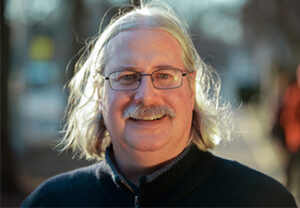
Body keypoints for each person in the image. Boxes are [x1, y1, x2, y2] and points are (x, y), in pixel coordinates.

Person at [22, 1, 296, 207]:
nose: (146, 95)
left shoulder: (262, 200)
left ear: (191, 88)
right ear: (100, 93)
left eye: (164, 75)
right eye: (127, 76)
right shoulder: (50, 202)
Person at [280, 64, 300, 205]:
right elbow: (287, 115)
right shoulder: (293, 92)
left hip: (294, 137)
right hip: (295, 139)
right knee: (290, 171)